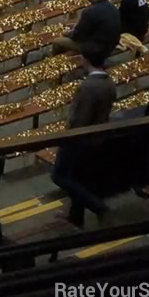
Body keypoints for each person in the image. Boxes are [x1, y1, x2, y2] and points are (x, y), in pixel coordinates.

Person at [52, 56, 114, 227]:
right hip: (96, 136)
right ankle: (76, 217)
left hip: (79, 139)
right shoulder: (108, 82)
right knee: (77, 176)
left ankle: (98, 206)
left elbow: (79, 118)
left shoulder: (87, 87)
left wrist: (68, 135)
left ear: (86, 60)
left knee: (59, 175)